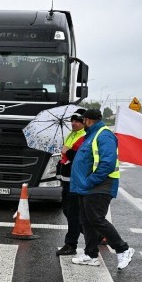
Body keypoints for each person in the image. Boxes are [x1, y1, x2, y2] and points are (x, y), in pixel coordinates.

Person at [69, 108, 134, 270]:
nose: (82, 122)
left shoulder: (104, 135)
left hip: (100, 185)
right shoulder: (91, 136)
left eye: (83, 120)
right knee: (86, 221)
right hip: (87, 186)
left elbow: (108, 163)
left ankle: (123, 249)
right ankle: (91, 254)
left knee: (96, 219)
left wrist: (91, 181)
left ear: (88, 121)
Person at [55, 109, 87, 256]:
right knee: (68, 211)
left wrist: (67, 151)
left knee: (73, 213)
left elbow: (81, 158)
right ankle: (95, 235)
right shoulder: (71, 134)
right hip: (67, 179)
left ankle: (70, 244)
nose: (73, 123)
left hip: (75, 181)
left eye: (77, 121)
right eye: (72, 120)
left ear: (84, 122)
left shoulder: (85, 136)